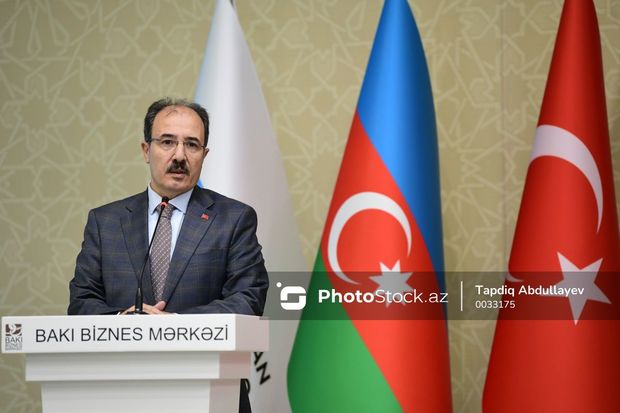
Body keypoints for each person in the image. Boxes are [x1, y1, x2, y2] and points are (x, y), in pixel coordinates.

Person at [68, 97, 267, 412]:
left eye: (192, 145)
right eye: (167, 142)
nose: (179, 155)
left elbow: (248, 299)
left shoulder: (234, 218)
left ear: (204, 155)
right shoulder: (105, 222)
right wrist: (122, 322)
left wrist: (174, 324)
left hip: (210, 389)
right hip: (120, 390)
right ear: (146, 150)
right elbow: (82, 301)